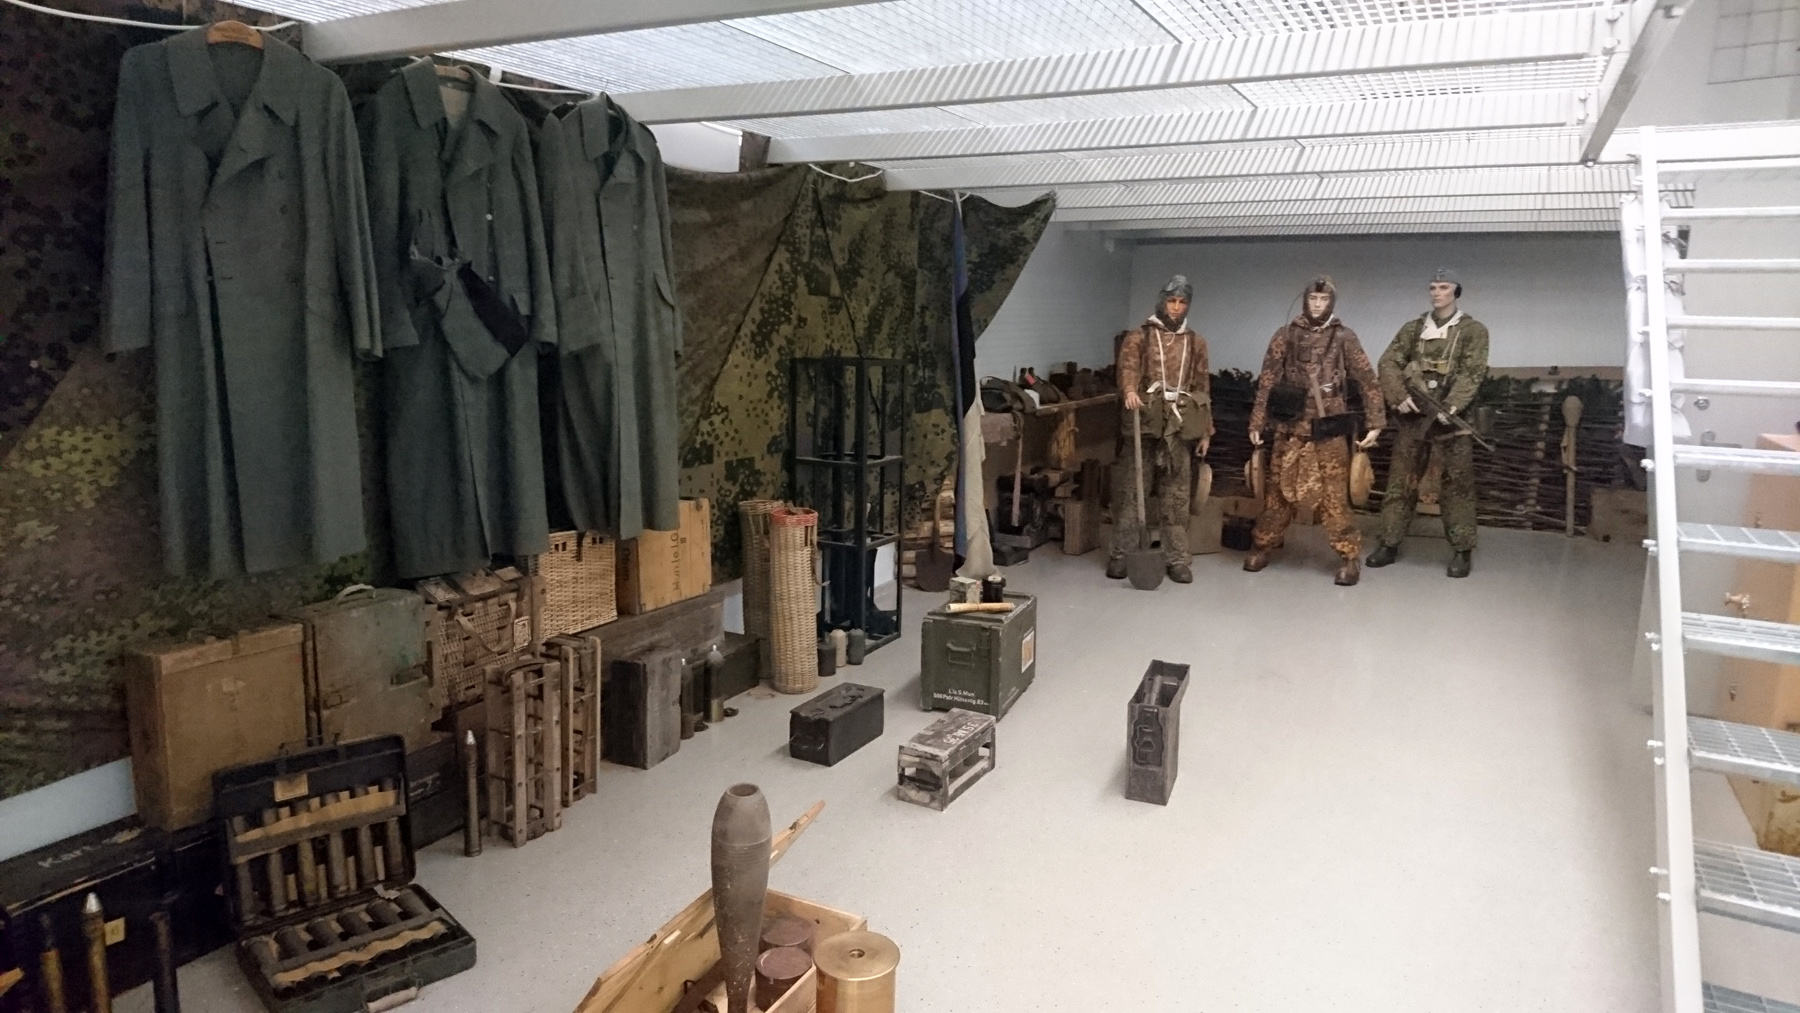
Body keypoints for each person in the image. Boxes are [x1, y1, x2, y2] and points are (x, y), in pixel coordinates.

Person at [1244, 276, 1385, 585]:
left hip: (1328, 426)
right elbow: (1267, 379)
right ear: (1305, 300)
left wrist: (1376, 422)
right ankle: (1264, 543)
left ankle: (1349, 555)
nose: (1317, 305)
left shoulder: (1344, 337)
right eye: (1313, 299)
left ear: (1331, 302)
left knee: (1334, 496)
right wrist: (1257, 421)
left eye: (1323, 300)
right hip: (1289, 423)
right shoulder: (1285, 335)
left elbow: (1367, 379)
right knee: (1277, 491)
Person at [1366, 268, 1491, 578]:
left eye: (1444, 287)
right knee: (1401, 481)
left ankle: (1462, 549)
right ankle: (1389, 543)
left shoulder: (1473, 331)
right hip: (1415, 419)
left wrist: (1453, 405)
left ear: (1456, 291)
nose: (1437, 293)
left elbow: (1472, 372)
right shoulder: (1413, 329)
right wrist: (1397, 395)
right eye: (1433, 287)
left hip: (1452, 422)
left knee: (1457, 486)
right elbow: (1388, 361)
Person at [1106, 275, 1213, 584]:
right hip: (1145, 421)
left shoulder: (1195, 342)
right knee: (1131, 491)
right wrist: (1129, 391)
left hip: (1179, 425)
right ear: (1161, 302)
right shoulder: (1140, 336)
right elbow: (1128, 368)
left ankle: (1176, 557)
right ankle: (1122, 554)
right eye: (1171, 301)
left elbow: (1202, 386)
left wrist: (1206, 430)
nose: (1176, 308)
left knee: (1176, 496)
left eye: (1182, 302)